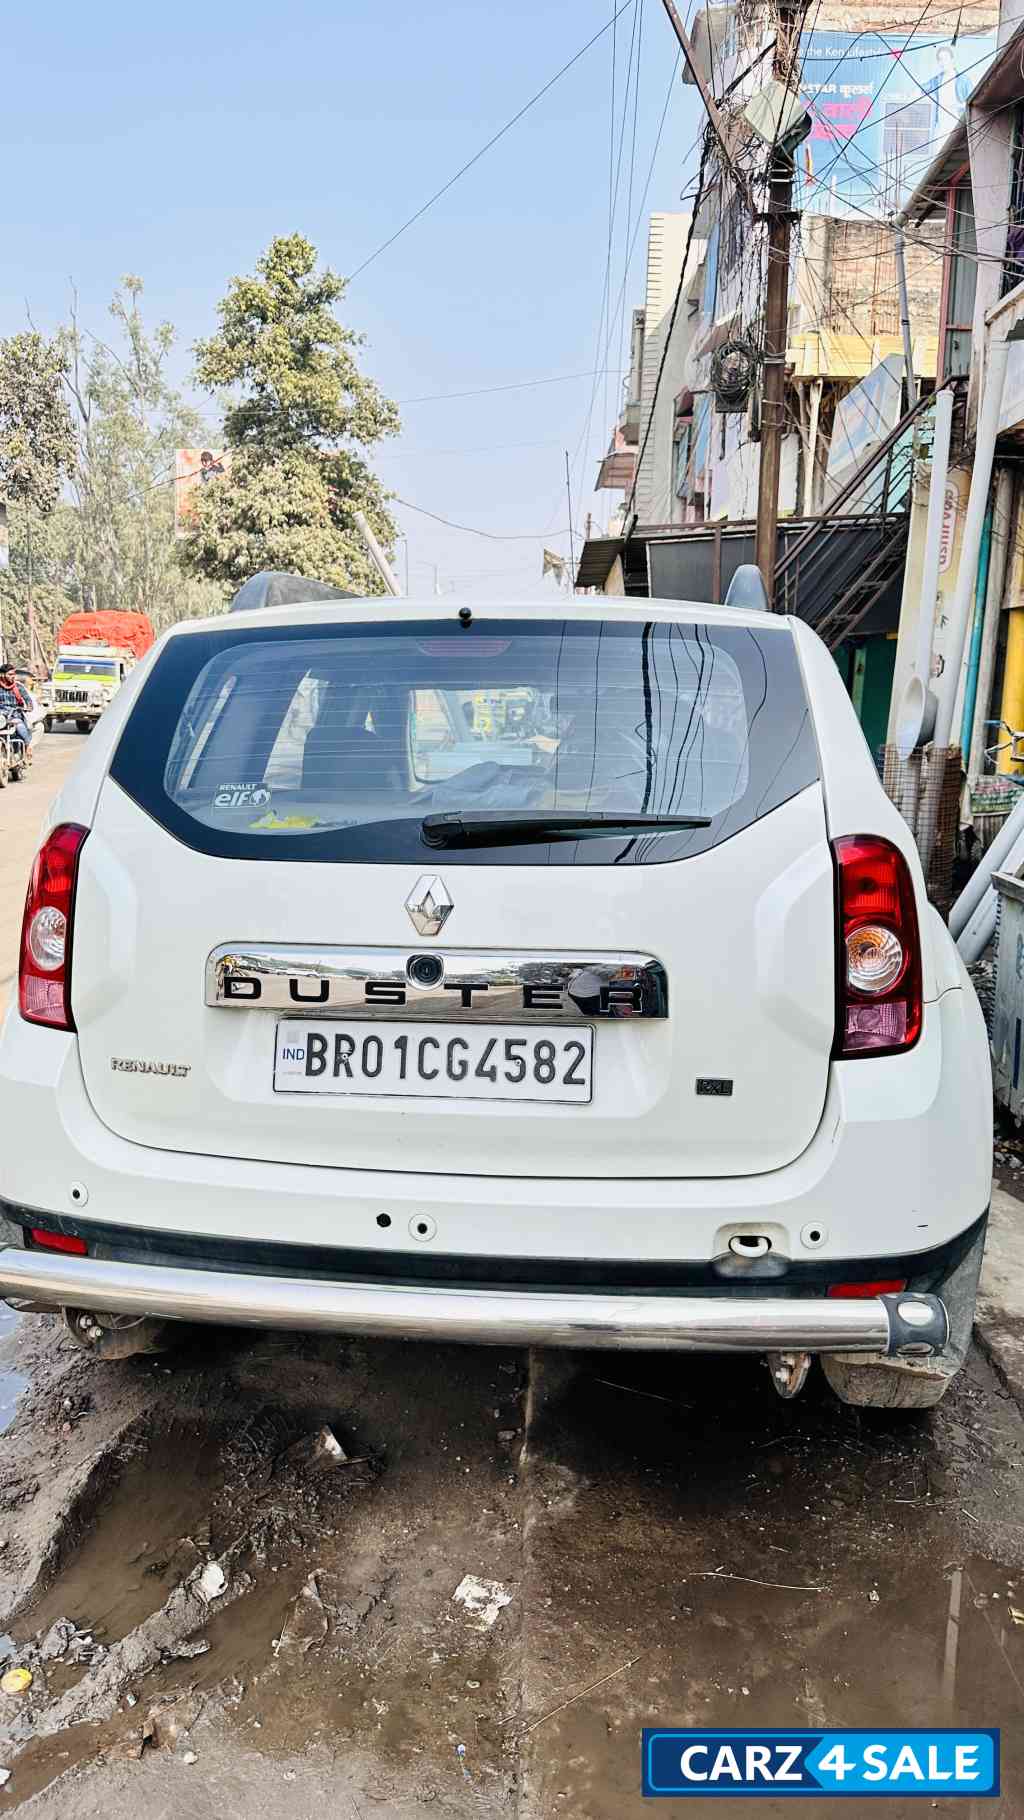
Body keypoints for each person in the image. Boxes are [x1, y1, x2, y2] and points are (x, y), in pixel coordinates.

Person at [0, 664, 32, 761]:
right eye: (10, 674)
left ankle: (27, 747)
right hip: (1, 717)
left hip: (14, 715)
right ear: (2, 675)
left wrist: (29, 706)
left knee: (20, 727)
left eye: (13, 674)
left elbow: (27, 699)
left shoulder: (18, 687)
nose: (13, 676)